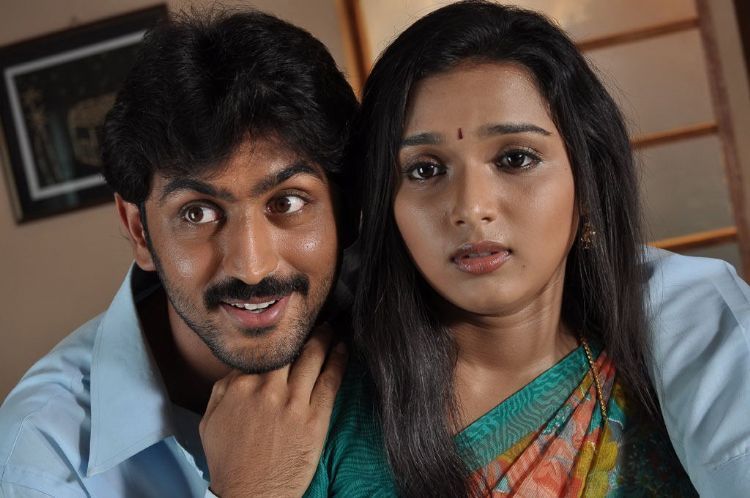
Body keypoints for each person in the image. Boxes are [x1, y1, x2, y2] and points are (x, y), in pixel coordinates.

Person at [303, 2, 748, 497]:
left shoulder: (683, 365)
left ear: (588, 179)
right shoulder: (314, 418)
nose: (471, 208)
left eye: (515, 159)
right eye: (425, 170)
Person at [0, 9, 356, 497]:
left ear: (345, 210)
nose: (252, 267)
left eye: (287, 202)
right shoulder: (37, 457)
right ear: (139, 232)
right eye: (197, 213)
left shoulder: (399, 339)